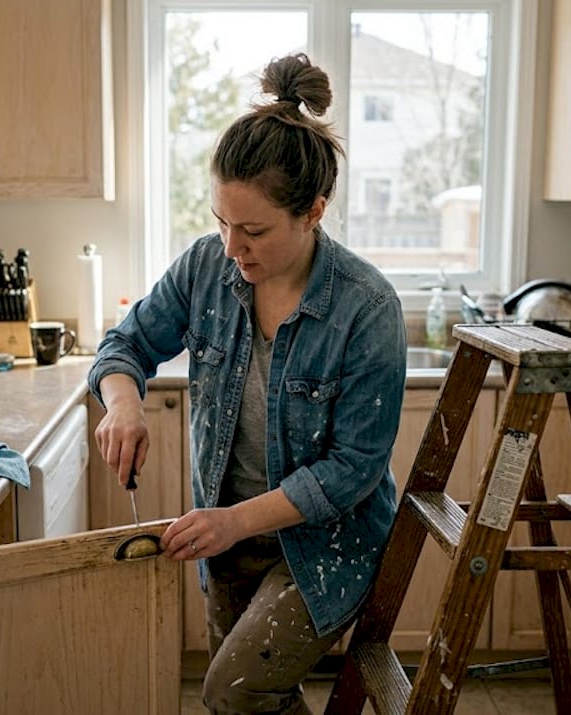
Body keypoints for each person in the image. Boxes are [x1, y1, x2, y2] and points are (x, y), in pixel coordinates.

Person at [88, 53, 406, 714]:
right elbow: (127, 343)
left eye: (254, 230)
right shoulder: (207, 267)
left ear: (314, 211)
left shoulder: (367, 307)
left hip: (325, 546)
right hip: (226, 536)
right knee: (243, 700)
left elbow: (353, 469)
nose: (232, 246)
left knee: (233, 689)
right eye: (221, 221)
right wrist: (123, 404)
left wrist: (233, 521)